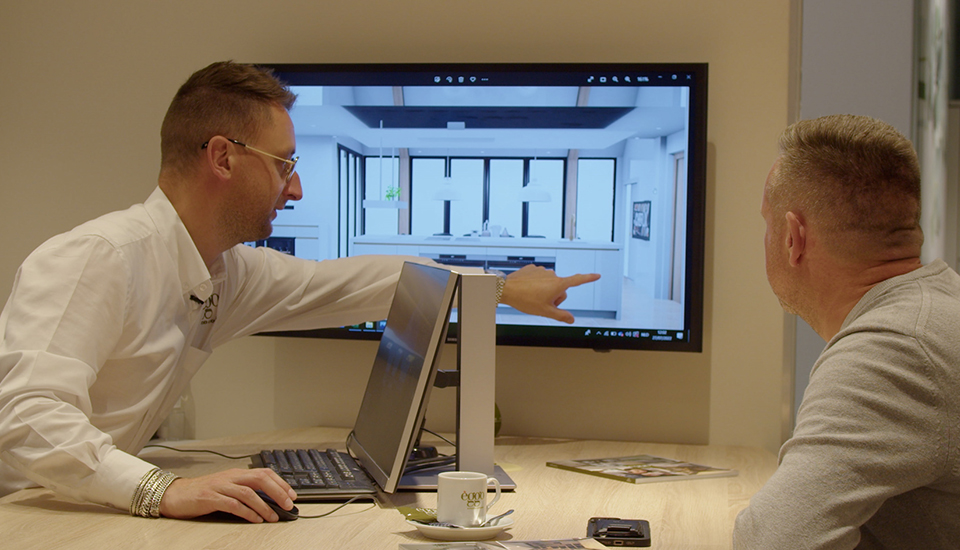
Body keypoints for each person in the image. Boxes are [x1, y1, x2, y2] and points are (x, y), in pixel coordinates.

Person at [0, 61, 600, 523]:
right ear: (222, 158)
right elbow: (26, 419)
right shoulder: (98, 258)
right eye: (285, 164)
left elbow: (360, 282)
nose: (298, 190)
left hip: (86, 511)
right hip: (26, 516)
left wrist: (498, 288)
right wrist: (165, 490)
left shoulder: (225, 272)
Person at [733, 114, 960, 549]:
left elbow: (774, 540)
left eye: (767, 223)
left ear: (792, 239)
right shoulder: (932, 308)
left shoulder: (895, 349)